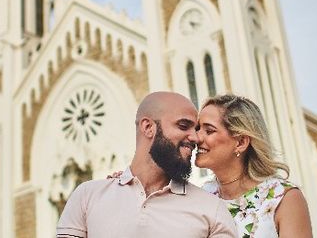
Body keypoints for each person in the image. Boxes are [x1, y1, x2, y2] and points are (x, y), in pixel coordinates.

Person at [56, 91, 239, 238]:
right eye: (183, 126)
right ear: (148, 127)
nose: (196, 138)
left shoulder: (212, 209)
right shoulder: (87, 196)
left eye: (196, 129)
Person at [196, 94, 313, 238]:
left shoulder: (283, 198)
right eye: (197, 129)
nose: (196, 137)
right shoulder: (201, 197)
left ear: (240, 142)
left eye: (209, 131)